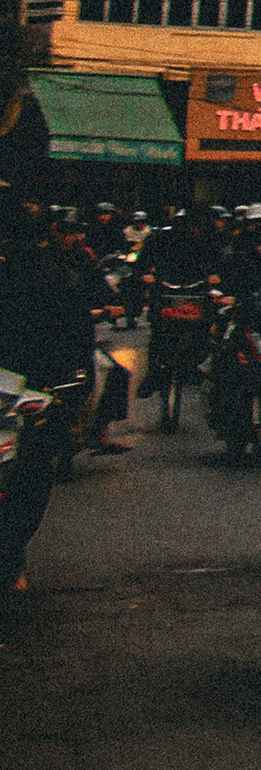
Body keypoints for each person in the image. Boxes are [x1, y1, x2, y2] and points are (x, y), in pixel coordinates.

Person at [0, 197, 102, 596]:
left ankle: (10, 558)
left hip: (28, 393)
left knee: (33, 476)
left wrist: (61, 388)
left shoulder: (51, 275)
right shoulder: (48, 272)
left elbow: (74, 337)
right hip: (34, 388)